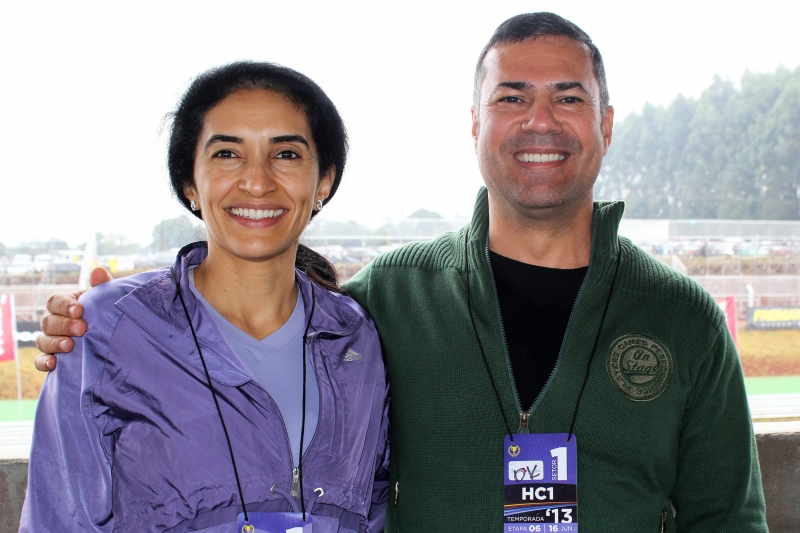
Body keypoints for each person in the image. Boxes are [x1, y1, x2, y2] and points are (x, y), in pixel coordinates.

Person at [35, 13, 768, 532]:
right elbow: (262, 297)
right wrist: (110, 318)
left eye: (568, 98)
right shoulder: (389, 298)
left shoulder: (685, 319)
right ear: (475, 124)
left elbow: (728, 518)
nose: (539, 121)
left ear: (605, 123)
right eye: (511, 97)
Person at [22, 62, 389, 533]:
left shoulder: (356, 338)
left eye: (286, 154)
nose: (257, 181)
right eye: (227, 154)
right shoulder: (109, 331)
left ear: (323, 182)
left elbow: (379, 505)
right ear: (190, 184)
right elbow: (60, 518)